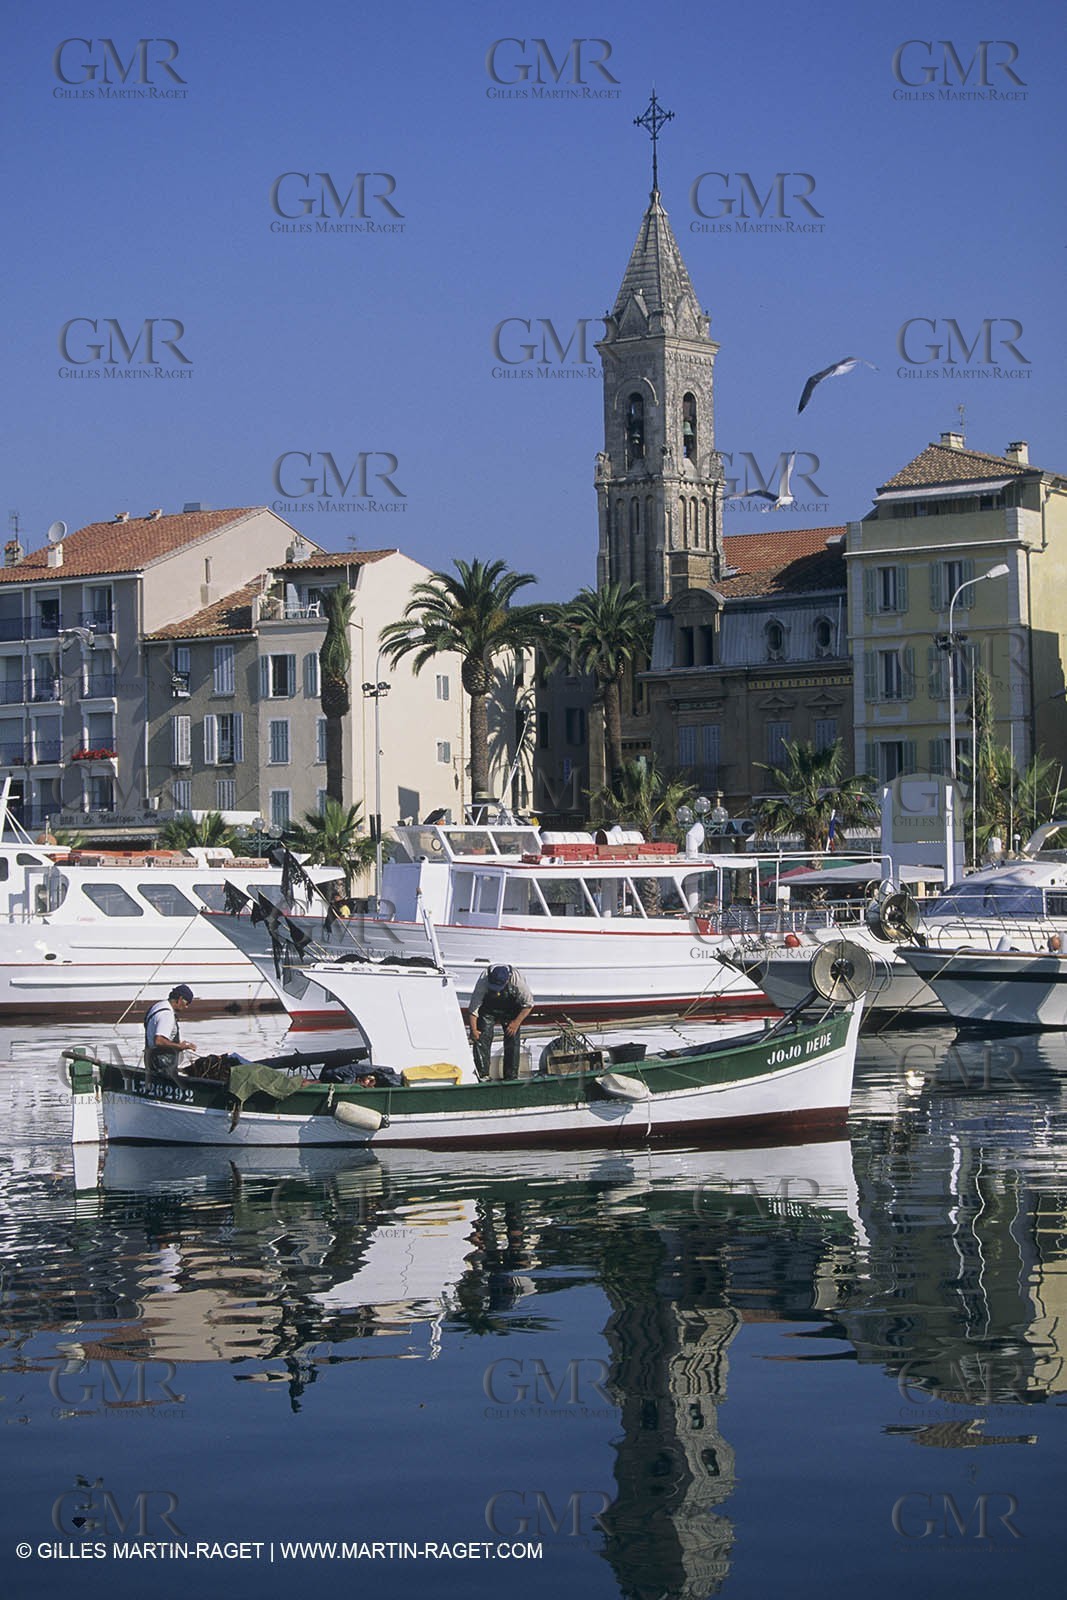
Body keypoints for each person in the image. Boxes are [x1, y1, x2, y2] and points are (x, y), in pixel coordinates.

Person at [468, 964, 534, 1082]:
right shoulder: (483, 980)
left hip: (510, 1009)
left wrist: (516, 1023)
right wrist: (473, 1031)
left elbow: (528, 1005)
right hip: (488, 1009)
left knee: (512, 1039)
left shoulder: (517, 980)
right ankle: (483, 1075)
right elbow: (474, 1008)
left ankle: (511, 1076)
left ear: (508, 979)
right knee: (481, 1037)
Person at [144, 984, 196, 1078]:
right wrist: (179, 1046)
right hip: (162, 1064)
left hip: (151, 1059)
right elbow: (159, 1040)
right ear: (180, 999)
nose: (187, 1007)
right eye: (187, 1003)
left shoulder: (158, 1006)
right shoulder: (167, 1015)